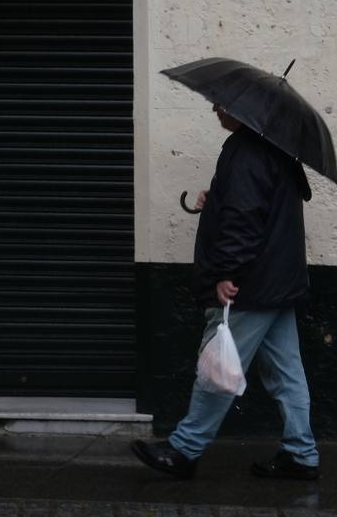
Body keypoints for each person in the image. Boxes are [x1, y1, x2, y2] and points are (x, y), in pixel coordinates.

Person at [131, 103, 320, 481]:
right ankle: (302, 454)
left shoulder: (245, 150)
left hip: (250, 285)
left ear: (247, 111)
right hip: (277, 282)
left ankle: (184, 449)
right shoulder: (276, 149)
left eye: (224, 105)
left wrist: (226, 271)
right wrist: (215, 197)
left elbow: (244, 216)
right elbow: (253, 204)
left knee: (217, 366)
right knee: (287, 373)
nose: (216, 109)